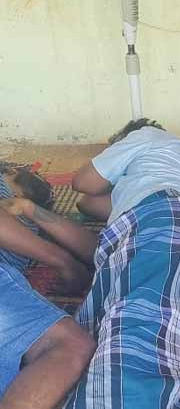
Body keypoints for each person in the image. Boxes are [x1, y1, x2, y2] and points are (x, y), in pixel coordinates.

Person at [24, 118, 180, 409]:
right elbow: (90, 216)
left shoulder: (148, 135)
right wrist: (31, 210)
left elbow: (83, 184)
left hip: (170, 222)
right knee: (148, 328)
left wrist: (111, 163)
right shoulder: (158, 178)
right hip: (179, 233)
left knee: (140, 330)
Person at [0, 171, 95, 408]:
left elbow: (96, 249)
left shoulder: (25, 221)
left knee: (72, 344)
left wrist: (28, 208)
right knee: (72, 344)